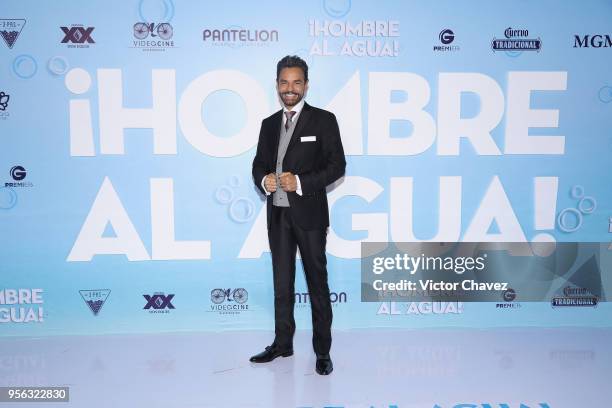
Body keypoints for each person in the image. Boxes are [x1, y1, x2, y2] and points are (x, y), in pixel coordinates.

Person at [250, 55, 346, 375]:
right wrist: (265, 180)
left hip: (310, 217)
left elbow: (337, 166)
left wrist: (301, 182)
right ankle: (282, 344)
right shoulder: (268, 124)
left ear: (306, 85)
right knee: (282, 283)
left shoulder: (324, 120)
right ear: (276, 84)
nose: (289, 89)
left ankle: (322, 352)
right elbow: (258, 165)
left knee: (317, 283)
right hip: (277, 215)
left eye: (296, 82)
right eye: (284, 82)